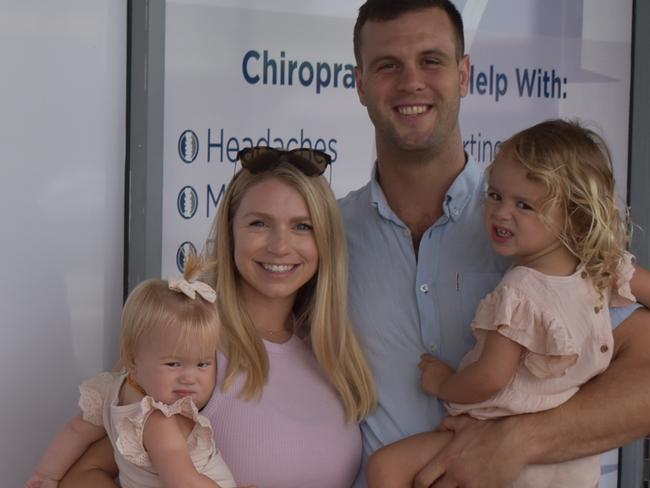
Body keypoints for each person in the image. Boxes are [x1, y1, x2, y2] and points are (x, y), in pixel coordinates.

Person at [340, 1, 650, 486]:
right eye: (387, 66)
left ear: (464, 74)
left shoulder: (536, 229)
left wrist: (523, 440)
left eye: (432, 61)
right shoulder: (321, 238)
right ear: (359, 84)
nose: (411, 82)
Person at [58, 147, 377, 488]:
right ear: (229, 233)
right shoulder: (191, 340)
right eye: (259, 223)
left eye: (302, 226)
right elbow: (83, 476)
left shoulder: (331, 352)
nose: (281, 246)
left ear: (325, 241)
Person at [366, 119, 648, 487]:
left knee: (386, 468)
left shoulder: (518, 292)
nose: (501, 213)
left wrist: (444, 384)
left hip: (494, 442)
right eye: (495, 196)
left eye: (524, 205)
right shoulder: (603, 269)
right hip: (576, 464)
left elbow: (490, 377)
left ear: (574, 215)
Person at [27, 256, 237, 488]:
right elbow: (183, 483)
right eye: (173, 364)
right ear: (132, 359)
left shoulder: (109, 392)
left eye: (203, 364)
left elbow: (76, 430)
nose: (189, 378)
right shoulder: (160, 422)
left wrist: (46, 474)